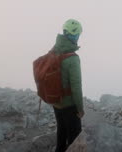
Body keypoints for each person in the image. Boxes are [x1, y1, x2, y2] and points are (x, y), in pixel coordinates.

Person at [51, 19, 84, 152]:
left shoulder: (55, 50)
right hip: (69, 105)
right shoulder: (73, 58)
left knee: (61, 130)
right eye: (78, 35)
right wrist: (80, 109)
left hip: (56, 101)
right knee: (74, 137)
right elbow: (76, 87)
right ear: (74, 35)